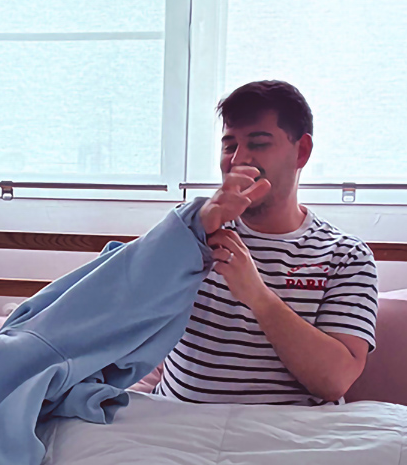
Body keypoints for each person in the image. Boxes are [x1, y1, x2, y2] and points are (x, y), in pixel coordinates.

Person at [151, 80, 378, 406]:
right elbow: (118, 309)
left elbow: (334, 381)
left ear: (301, 151)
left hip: (288, 431)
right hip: (179, 422)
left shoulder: (345, 256)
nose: (238, 159)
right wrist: (194, 230)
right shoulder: (191, 228)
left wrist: (257, 296)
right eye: (229, 146)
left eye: (257, 143)